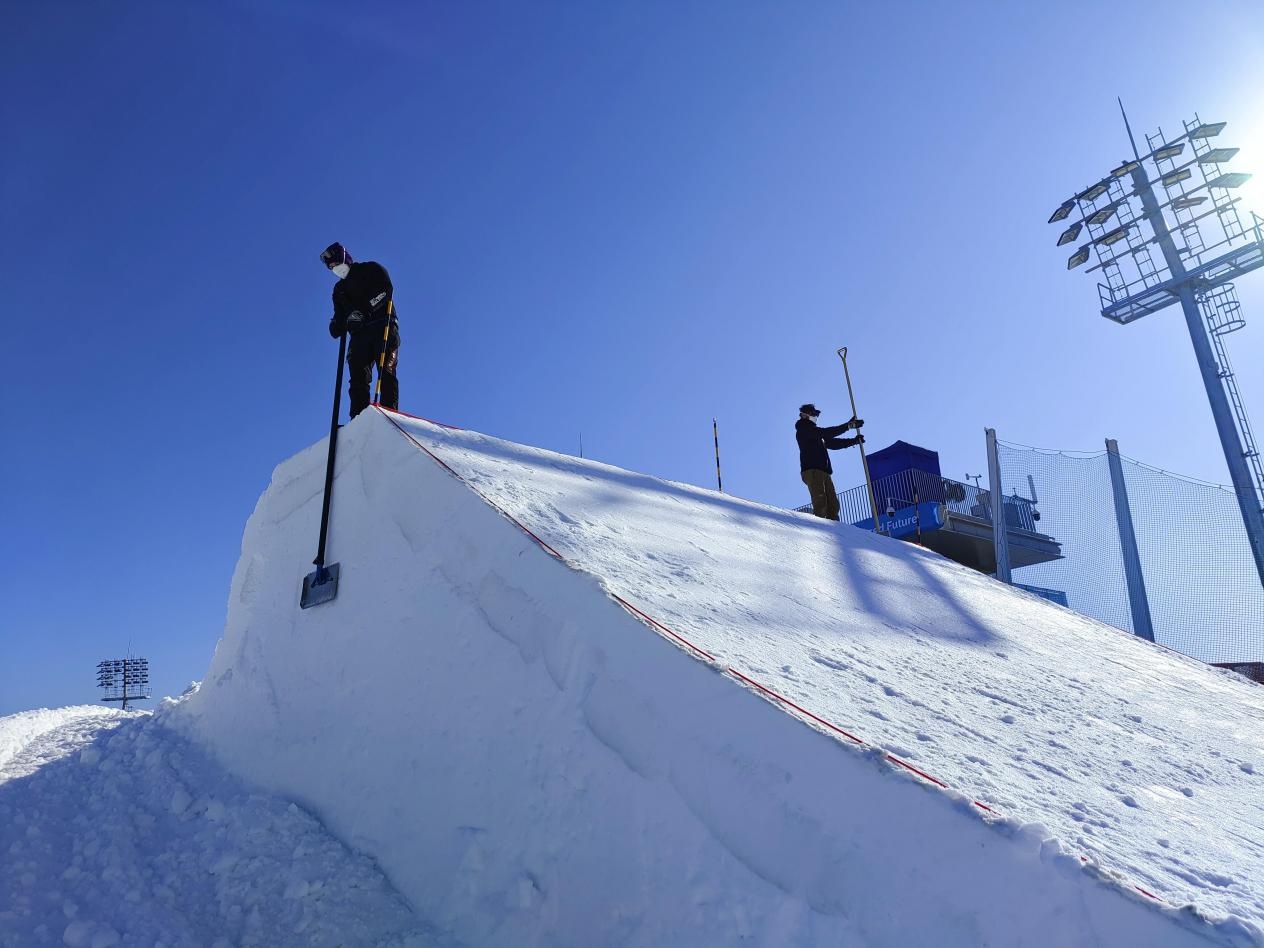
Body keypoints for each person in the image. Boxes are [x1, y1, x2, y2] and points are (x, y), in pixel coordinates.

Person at [321, 241, 400, 418]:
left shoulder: (370, 269)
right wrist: (336, 324)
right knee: (358, 379)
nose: (335, 268)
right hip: (359, 336)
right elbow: (339, 315)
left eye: (336, 263)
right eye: (331, 267)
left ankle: (391, 414)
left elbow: (386, 289)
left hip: (383, 326)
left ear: (345, 258)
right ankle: (359, 418)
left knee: (386, 371)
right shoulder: (339, 290)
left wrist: (363, 312)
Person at [796, 404, 864, 521]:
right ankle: (821, 527)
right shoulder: (804, 430)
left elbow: (832, 443)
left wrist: (853, 441)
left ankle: (836, 528)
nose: (815, 416)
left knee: (833, 504)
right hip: (812, 470)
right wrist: (848, 426)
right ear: (804, 415)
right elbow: (827, 432)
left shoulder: (816, 432)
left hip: (823, 471)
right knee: (821, 502)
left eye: (816, 414)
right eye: (813, 414)